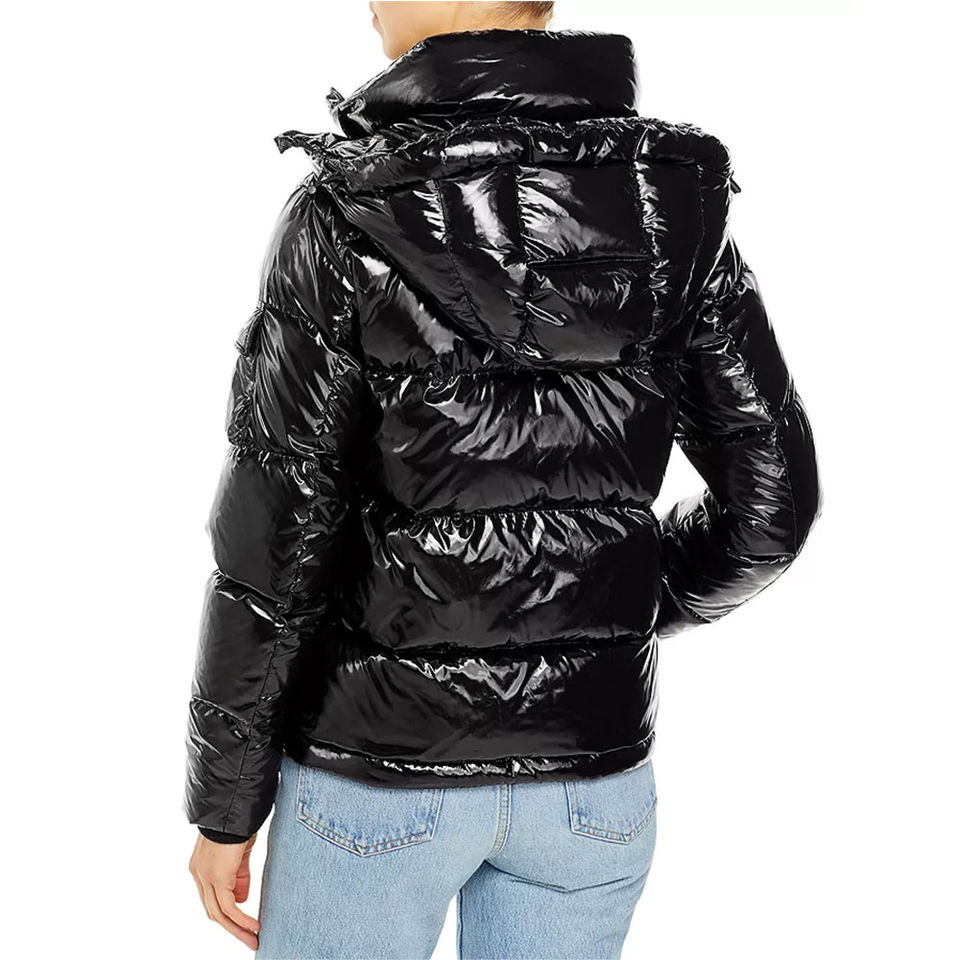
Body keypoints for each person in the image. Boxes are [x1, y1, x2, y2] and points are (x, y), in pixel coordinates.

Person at [185, 2, 822, 957]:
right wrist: (595, 609)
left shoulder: (350, 210)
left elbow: (274, 539)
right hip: (590, 783)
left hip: (377, 776)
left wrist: (226, 803)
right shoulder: (672, 210)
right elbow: (772, 508)